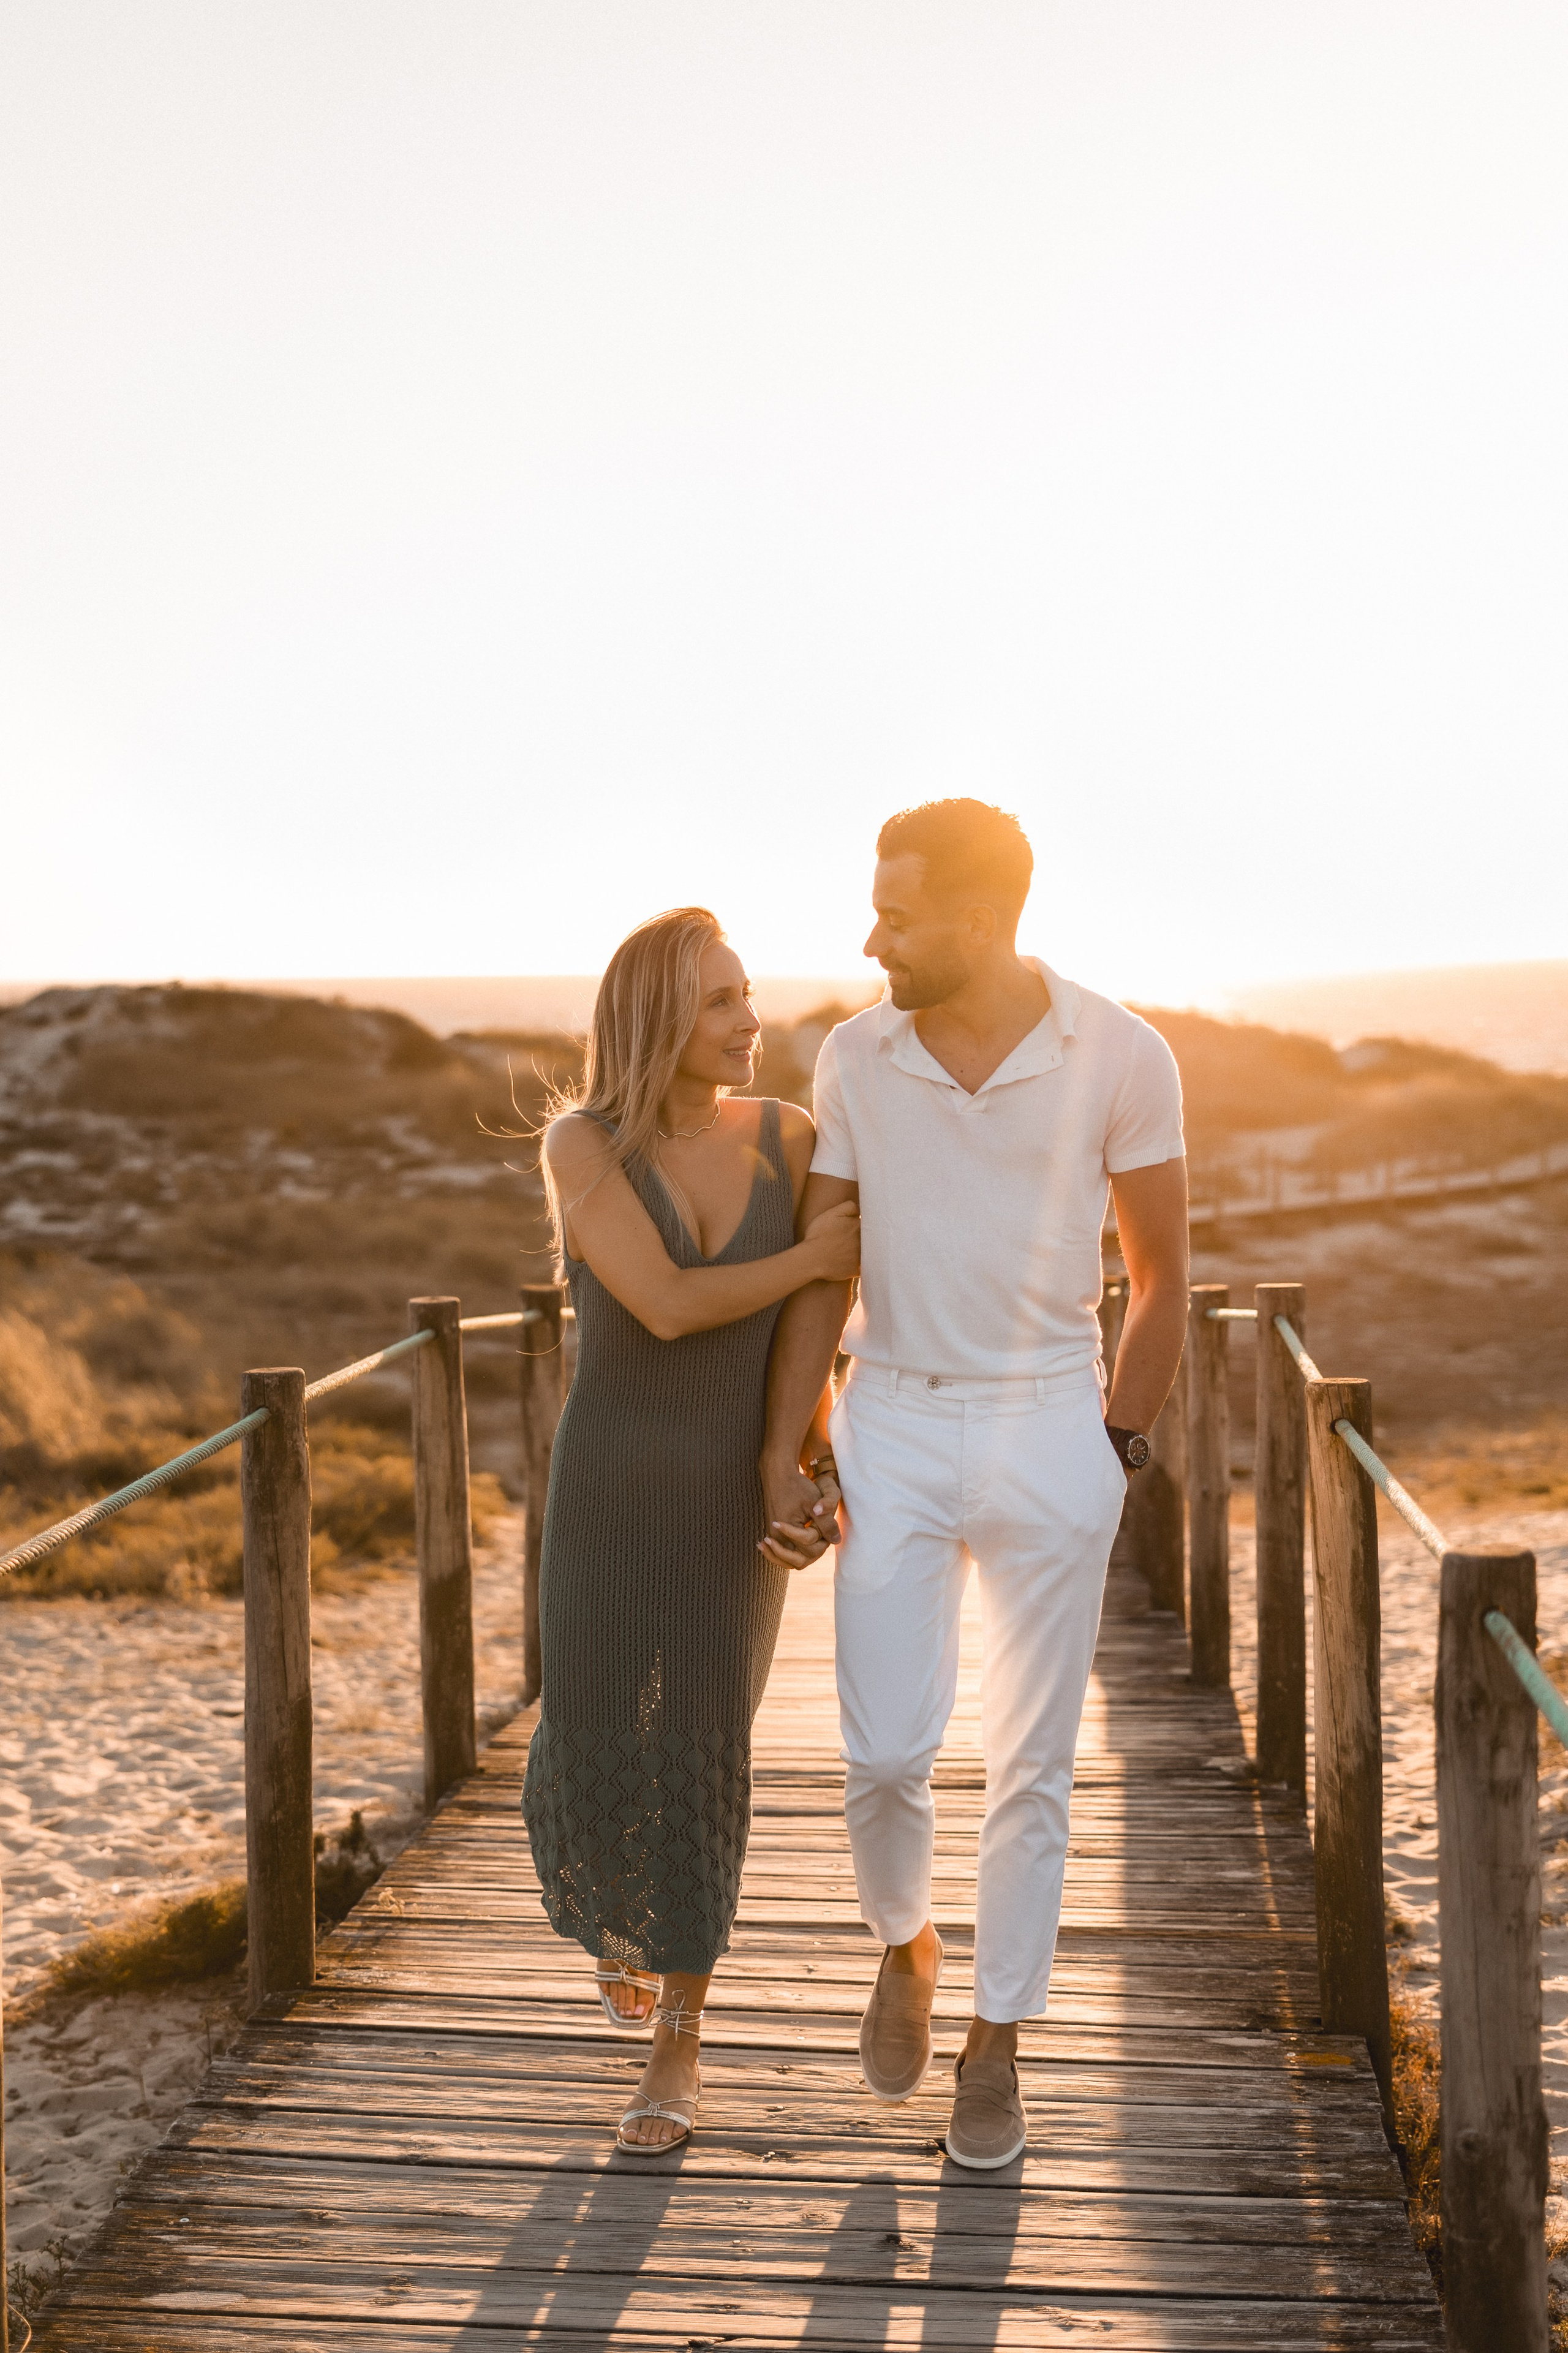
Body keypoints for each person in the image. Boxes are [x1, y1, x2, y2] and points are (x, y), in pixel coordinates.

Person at [758, 799, 1189, 2170]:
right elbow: (829, 1263)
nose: (870, 935)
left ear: (982, 918)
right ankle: (906, 1942)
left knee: (1031, 1764)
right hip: (892, 1416)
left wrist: (1111, 1445)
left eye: (898, 913)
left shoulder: (1119, 1052)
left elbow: (1163, 1274)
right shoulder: (853, 1055)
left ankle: (997, 2038)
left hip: (1049, 1422)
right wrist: (793, 1442)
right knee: (882, 1752)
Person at [521, 905, 859, 2154]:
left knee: (702, 1755)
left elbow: (818, 1315)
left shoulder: (793, 1138)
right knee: (587, 1738)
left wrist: (801, 1463)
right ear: (659, 1016)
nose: (746, 1018)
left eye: (746, 992)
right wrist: (811, 1254)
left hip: (728, 1501)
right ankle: (616, 1915)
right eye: (718, 999)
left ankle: (677, 2044)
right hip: (608, 1490)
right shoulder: (582, 1143)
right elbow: (660, 1303)